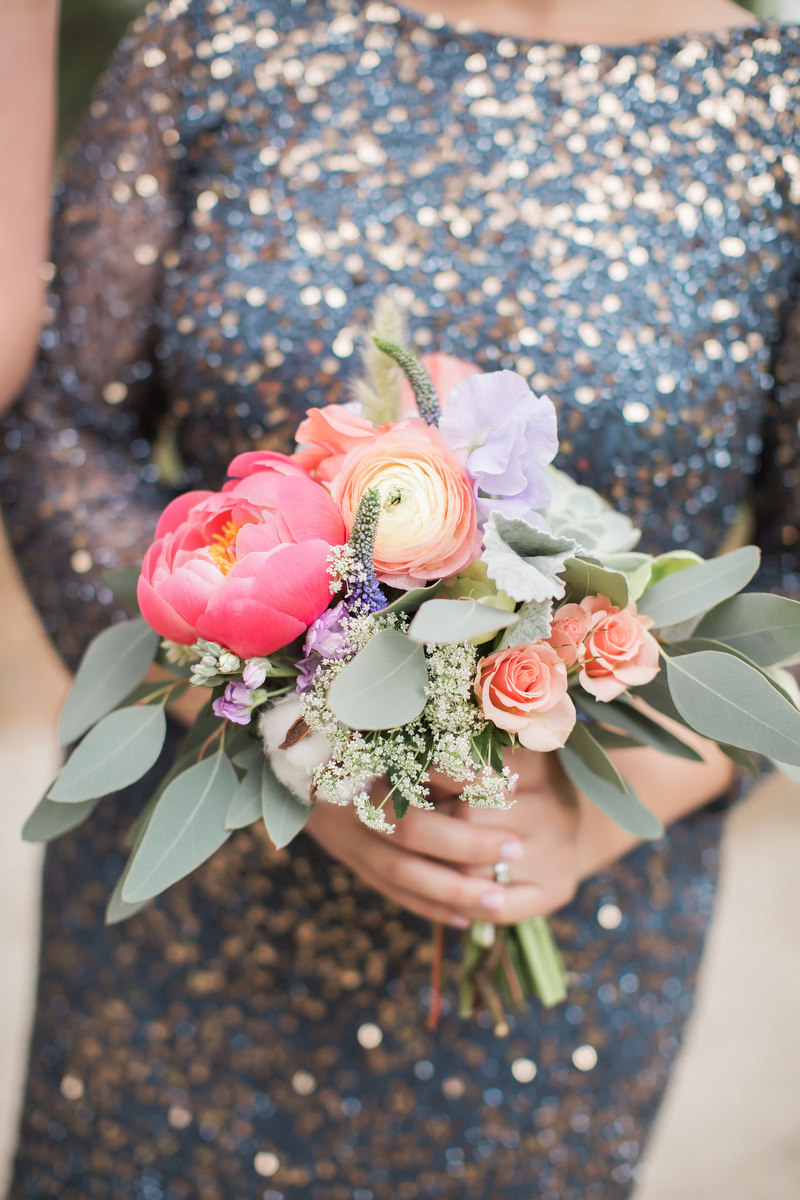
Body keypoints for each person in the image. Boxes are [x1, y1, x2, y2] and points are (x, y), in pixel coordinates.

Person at [2, 0, 797, 1195]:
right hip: (198, 900)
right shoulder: (219, 31)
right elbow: (64, 423)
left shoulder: (773, 107)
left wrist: (608, 800)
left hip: (559, 920)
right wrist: (285, 732)